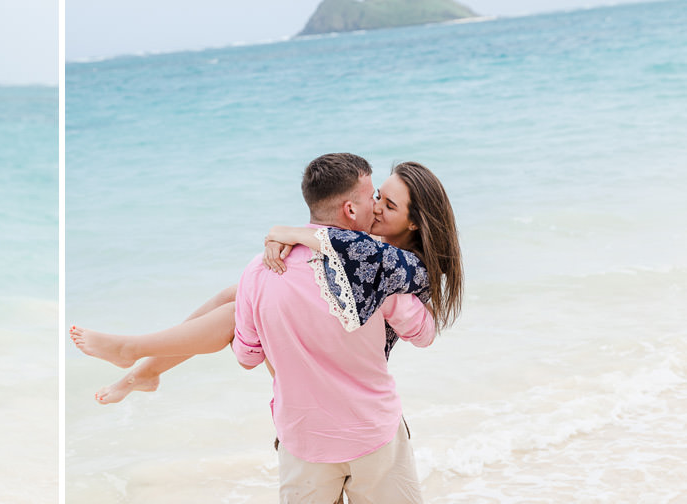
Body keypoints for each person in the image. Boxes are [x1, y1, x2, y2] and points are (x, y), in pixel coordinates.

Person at [231, 153, 438, 504]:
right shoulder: (377, 272)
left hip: (302, 433)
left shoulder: (259, 270)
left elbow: (248, 355)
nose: (377, 206)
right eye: (373, 197)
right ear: (350, 207)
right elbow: (422, 332)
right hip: (372, 429)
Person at [69, 160, 463, 398]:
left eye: (388, 205)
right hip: (325, 341)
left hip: (345, 364)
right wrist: (285, 238)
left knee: (242, 304)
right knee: (235, 292)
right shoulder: (372, 242)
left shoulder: (413, 268)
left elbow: (349, 249)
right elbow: (340, 246)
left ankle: (132, 350)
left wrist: (287, 232)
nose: (375, 207)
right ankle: (146, 372)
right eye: (377, 194)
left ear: (414, 221)